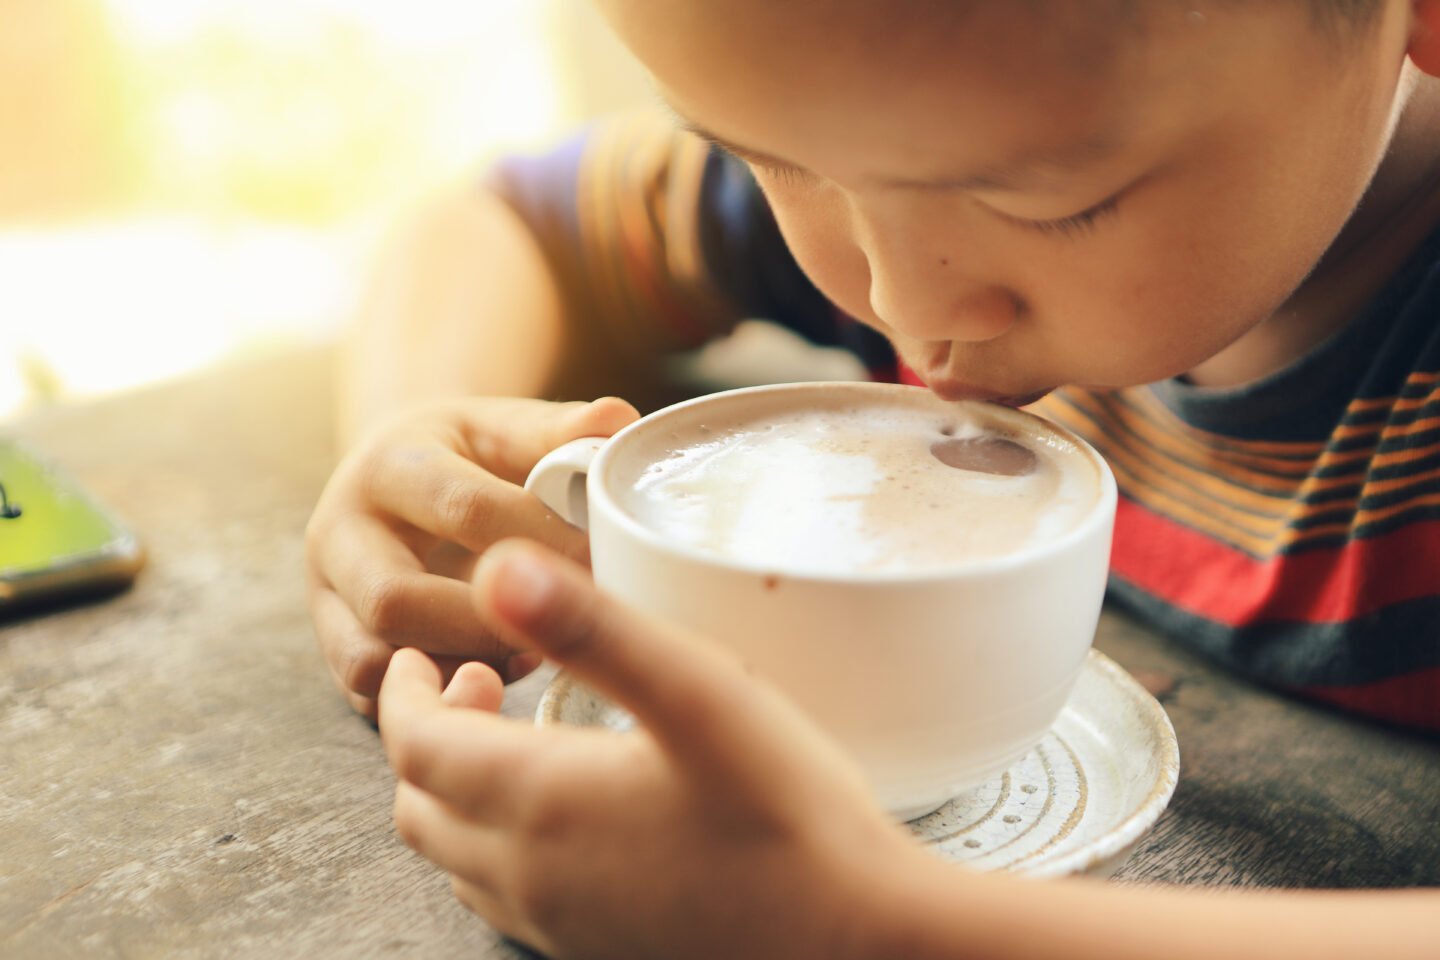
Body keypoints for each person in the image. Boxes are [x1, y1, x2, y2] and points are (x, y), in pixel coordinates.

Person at [304, 0, 1440, 956]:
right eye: (774, 159)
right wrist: (415, 441)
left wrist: (883, 926)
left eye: (1044, 203)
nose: (905, 306)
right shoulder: (886, 124)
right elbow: (510, 216)